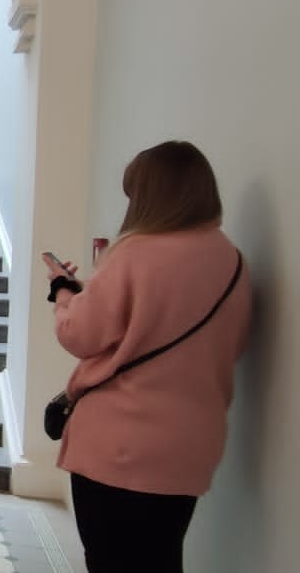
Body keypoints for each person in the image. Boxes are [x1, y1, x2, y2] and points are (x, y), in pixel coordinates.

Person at [43, 141, 251, 573]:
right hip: (190, 445)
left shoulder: (134, 251)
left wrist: (62, 292)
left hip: (120, 447)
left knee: (110, 560)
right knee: (161, 558)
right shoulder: (231, 261)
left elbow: (78, 334)